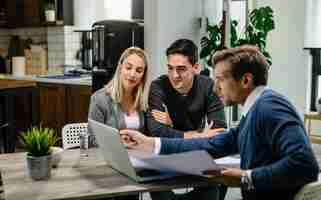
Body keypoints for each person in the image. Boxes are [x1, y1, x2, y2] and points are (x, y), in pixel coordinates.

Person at [120, 45, 320, 200]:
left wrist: (245, 177)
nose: (215, 89)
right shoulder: (254, 111)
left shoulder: (270, 106)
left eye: (221, 80)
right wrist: (149, 143)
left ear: (245, 80)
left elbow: (304, 164)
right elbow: (211, 144)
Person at [147, 39, 227, 200]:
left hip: (197, 154)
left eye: (181, 69)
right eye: (170, 68)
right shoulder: (158, 86)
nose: (174, 75)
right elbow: (156, 132)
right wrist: (198, 135)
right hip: (167, 155)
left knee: (218, 181)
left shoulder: (208, 86)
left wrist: (171, 125)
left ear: (195, 68)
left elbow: (218, 131)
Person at [88, 47, 150, 200]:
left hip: (136, 166)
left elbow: (150, 135)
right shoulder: (100, 99)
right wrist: (117, 142)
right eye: (128, 67)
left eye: (139, 70)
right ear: (120, 66)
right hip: (109, 168)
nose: (132, 74)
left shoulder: (144, 102)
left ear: (143, 75)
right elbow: (91, 139)